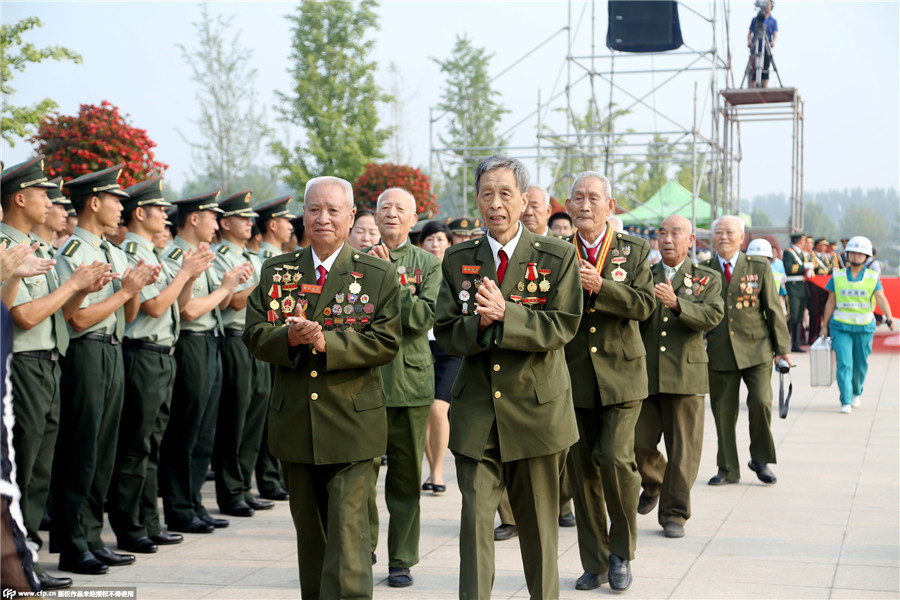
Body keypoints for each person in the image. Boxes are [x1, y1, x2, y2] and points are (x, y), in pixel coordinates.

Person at [243, 175, 401, 599]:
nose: (323, 218)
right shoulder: (279, 270)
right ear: (304, 216)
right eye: (315, 209)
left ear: (351, 217)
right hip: (295, 421)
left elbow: (385, 342)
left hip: (352, 423)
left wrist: (325, 340)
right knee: (311, 539)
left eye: (334, 210)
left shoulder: (377, 274)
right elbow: (254, 333)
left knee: (349, 537)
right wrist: (289, 339)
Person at [434, 155, 582, 599]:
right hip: (478, 413)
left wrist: (507, 315)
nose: (495, 204)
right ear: (477, 201)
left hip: (537, 413)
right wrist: (477, 326)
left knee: (538, 530)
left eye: (505, 194)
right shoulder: (459, 258)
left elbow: (563, 326)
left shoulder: (556, 255)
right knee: (476, 526)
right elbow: (445, 331)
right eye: (486, 194)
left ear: (523, 201)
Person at [1, 158, 110, 590]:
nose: (52, 202)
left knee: (40, 471)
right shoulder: (7, 247)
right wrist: (72, 285)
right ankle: (15, 568)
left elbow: (60, 316)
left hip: (48, 361)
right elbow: (24, 317)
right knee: (21, 471)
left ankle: (26, 562)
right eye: (44, 193)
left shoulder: (36, 249)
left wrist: (81, 289)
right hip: (23, 364)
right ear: (20, 198)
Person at [50, 165, 160, 575]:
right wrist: (128, 292)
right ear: (94, 203)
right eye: (115, 200)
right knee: (80, 450)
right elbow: (76, 319)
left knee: (103, 451)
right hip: (86, 353)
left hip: (112, 350)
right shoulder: (75, 254)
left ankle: (92, 537)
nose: (121, 207)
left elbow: (128, 313)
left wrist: (133, 287)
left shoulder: (113, 252)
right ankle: (72, 542)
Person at [108, 176, 212, 554]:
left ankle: (148, 521)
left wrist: (191, 275)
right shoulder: (137, 252)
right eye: (158, 211)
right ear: (141, 214)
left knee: (153, 444)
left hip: (164, 353)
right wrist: (185, 274)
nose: (166, 218)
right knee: (136, 445)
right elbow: (152, 307)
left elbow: (176, 302)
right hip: (143, 353)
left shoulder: (150, 252)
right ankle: (130, 524)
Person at [563, 171, 655, 592]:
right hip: (574, 377)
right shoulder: (556, 252)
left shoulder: (633, 251)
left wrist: (603, 288)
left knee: (615, 460)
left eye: (593, 198)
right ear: (568, 206)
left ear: (610, 207)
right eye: (578, 198)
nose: (585, 205)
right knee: (582, 472)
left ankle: (621, 552)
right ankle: (594, 561)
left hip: (622, 377)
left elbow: (646, 305)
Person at [159, 191, 252, 535]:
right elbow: (189, 310)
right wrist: (227, 287)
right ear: (194, 219)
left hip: (210, 342)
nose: (217, 223)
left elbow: (218, 303)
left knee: (204, 432)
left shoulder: (204, 256)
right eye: (212, 217)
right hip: (190, 343)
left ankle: (194, 502)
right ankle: (180, 507)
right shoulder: (175, 257)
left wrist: (231, 287)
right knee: (185, 430)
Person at [365, 187, 441, 587]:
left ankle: (401, 559)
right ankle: (364, 548)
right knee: (360, 477)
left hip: (409, 382)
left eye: (400, 209)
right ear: (375, 218)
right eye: (384, 208)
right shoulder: (356, 260)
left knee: (406, 478)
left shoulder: (428, 264)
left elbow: (422, 318)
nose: (391, 214)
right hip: (363, 383)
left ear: (414, 220)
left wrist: (390, 280)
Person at [635, 215, 723, 539]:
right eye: (662, 232)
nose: (668, 238)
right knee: (635, 442)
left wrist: (677, 304)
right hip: (645, 375)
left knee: (683, 451)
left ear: (690, 241)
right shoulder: (643, 274)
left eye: (676, 232)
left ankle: (674, 513)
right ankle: (655, 480)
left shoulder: (706, 278)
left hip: (685, 374)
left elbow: (713, 315)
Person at [703, 215, 791, 486]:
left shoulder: (758, 267)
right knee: (723, 412)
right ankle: (727, 468)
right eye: (719, 232)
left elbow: (774, 309)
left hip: (757, 349)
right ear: (712, 238)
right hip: (720, 351)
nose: (724, 237)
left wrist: (782, 350)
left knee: (761, 403)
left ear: (742, 238)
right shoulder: (702, 270)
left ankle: (761, 459)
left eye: (730, 232)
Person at [209, 191, 272, 519]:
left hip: (258, 339)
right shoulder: (221, 256)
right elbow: (233, 301)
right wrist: (267, 289)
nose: (249, 223)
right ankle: (230, 490)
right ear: (225, 222)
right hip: (235, 337)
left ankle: (244, 487)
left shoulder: (255, 258)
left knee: (254, 417)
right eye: (242, 218)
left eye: (250, 218)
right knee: (234, 418)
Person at [252, 196, 296, 502]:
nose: (291, 225)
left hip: (285, 341)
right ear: (272, 224)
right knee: (253, 416)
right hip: (263, 339)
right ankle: (256, 480)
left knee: (265, 413)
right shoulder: (268, 263)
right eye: (285, 220)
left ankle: (268, 477)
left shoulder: (285, 259)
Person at [822, 236, 894, 414]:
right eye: (852, 253)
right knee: (844, 363)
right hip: (840, 326)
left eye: (860, 254)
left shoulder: (872, 277)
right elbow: (831, 302)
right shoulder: (837, 275)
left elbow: (881, 298)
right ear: (847, 255)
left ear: (866, 257)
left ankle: (856, 392)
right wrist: (824, 325)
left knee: (860, 365)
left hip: (864, 327)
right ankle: (845, 399)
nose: (855, 256)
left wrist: (889, 317)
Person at [418, 221, 458, 498]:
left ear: (449, 244)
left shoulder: (456, 272)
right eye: (430, 239)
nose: (435, 244)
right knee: (423, 413)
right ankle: (432, 469)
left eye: (441, 239)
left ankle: (438, 472)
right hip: (420, 347)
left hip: (449, 349)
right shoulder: (414, 271)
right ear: (421, 244)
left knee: (437, 409)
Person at [782, 233, 810, 351]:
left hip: (801, 286)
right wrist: (804, 267)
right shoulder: (789, 253)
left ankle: (795, 344)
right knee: (792, 315)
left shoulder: (802, 254)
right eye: (804, 240)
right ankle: (783, 342)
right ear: (800, 241)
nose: (806, 243)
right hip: (792, 287)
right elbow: (789, 268)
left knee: (799, 317)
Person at [747, 238, 788, 315]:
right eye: (755, 258)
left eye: (762, 258)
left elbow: (779, 298)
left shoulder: (775, 276)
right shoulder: (742, 275)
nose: (759, 262)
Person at [747, 0, 777, 88]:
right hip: (756, 47)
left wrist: (773, 42)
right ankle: (753, 88)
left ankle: (764, 87)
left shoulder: (773, 21)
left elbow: (775, 33)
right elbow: (749, 33)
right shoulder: (755, 19)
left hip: (766, 47)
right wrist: (749, 42)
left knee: (766, 68)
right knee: (753, 70)